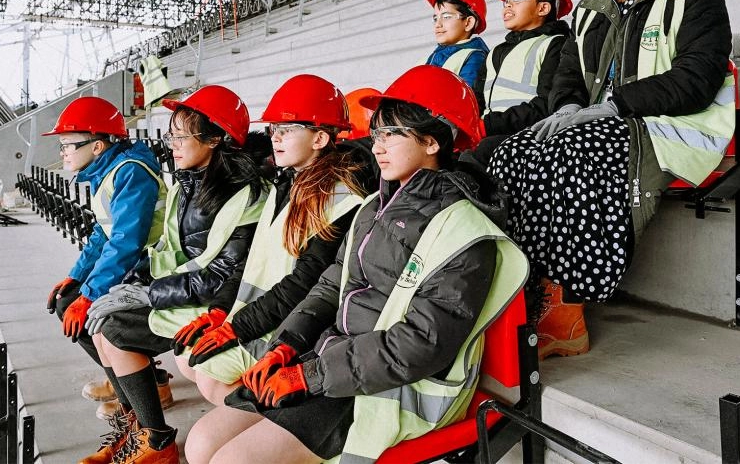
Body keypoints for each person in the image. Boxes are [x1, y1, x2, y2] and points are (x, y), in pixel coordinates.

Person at [183, 65, 528, 464]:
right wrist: (287, 346)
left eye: (391, 135)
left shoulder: (464, 230)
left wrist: (309, 375)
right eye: (377, 134)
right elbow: (330, 287)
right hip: (335, 361)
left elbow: (420, 344)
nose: (376, 146)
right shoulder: (373, 207)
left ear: (432, 142)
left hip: (392, 389)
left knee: (233, 460)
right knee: (201, 442)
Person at [488, 0, 735, 358]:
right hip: (604, 121)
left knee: (577, 148)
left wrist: (609, 108)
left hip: (676, 126)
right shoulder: (596, 0)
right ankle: (524, 291)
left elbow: (696, 81)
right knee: (511, 152)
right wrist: (568, 108)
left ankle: (566, 310)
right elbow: (569, 76)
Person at [80, 85, 270, 464]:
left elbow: (221, 275)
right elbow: (170, 251)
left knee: (114, 330)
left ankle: (157, 440)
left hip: (220, 303)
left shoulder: (243, 193)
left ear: (215, 139)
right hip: (184, 291)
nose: (172, 145)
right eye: (171, 135)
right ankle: (139, 428)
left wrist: (149, 294)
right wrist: (135, 283)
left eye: (182, 136)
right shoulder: (189, 182)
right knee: (102, 322)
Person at [171, 74, 370, 406]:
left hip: (292, 326)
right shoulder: (286, 183)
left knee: (207, 371)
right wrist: (221, 311)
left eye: (287, 129)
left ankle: (254, 434)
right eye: (273, 129)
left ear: (320, 138)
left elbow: (306, 283)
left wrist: (240, 328)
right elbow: (253, 259)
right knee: (189, 359)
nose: (275, 138)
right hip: (264, 315)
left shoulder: (339, 200)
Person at [43, 96, 167, 393]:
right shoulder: (109, 168)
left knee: (86, 309)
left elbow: (127, 241)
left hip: (153, 264)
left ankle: (144, 384)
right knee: (66, 299)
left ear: (97, 146)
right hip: (134, 261)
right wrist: (77, 274)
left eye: (66, 145)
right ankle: (128, 378)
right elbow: (105, 230)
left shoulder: (131, 172)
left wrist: (89, 294)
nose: (62, 153)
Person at [468, 0, 574, 165]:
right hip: (487, 135)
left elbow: (547, 105)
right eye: (507, 0)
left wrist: (487, 126)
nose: (508, 4)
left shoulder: (556, 45)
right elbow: (477, 101)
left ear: (543, 7)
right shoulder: (496, 52)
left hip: (528, 138)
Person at [422, 0, 490, 107]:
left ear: (468, 23)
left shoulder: (475, 57)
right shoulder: (435, 54)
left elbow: (465, 104)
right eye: (435, 18)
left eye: (446, 17)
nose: (438, 24)